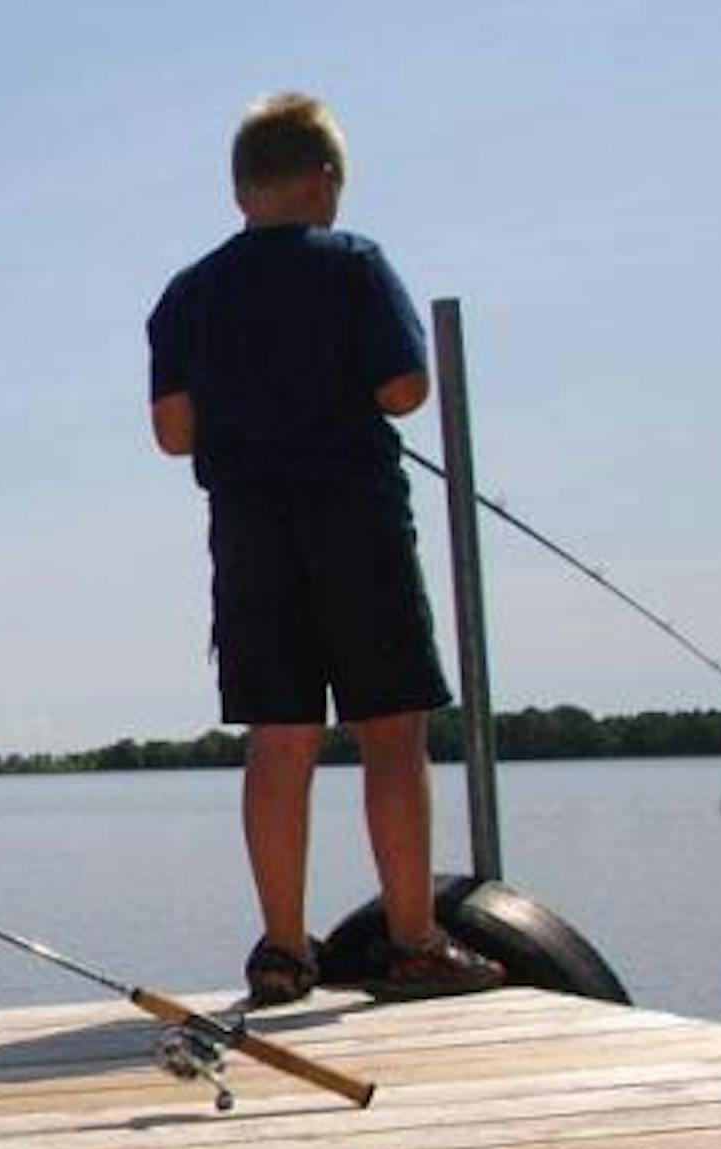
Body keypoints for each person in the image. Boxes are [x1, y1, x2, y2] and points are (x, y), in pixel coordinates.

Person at [146, 92, 504, 1004]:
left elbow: (175, 432)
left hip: (248, 531)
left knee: (280, 735)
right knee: (390, 729)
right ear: (325, 180)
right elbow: (405, 390)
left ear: (240, 192)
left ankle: (281, 949)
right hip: (356, 519)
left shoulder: (187, 293)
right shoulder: (352, 263)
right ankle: (416, 940)